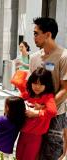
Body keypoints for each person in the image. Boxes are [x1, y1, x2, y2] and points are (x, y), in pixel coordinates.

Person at [29, 17, 67, 160]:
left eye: (36, 33)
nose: (33, 37)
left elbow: (65, 89)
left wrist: (44, 107)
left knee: (51, 154)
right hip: (35, 114)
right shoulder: (34, 58)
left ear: (48, 34)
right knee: (34, 153)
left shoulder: (64, 56)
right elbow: (29, 86)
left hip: (55, 115)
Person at [13, 67, 57, 160]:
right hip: (22, 133)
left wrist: (36, 113)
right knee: (18, 157)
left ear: (47, 85)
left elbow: (52, 112)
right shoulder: (28, 94)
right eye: (35, 83)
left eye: (41, 84)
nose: (37, 87)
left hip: (35, 136)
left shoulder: (48, 97)